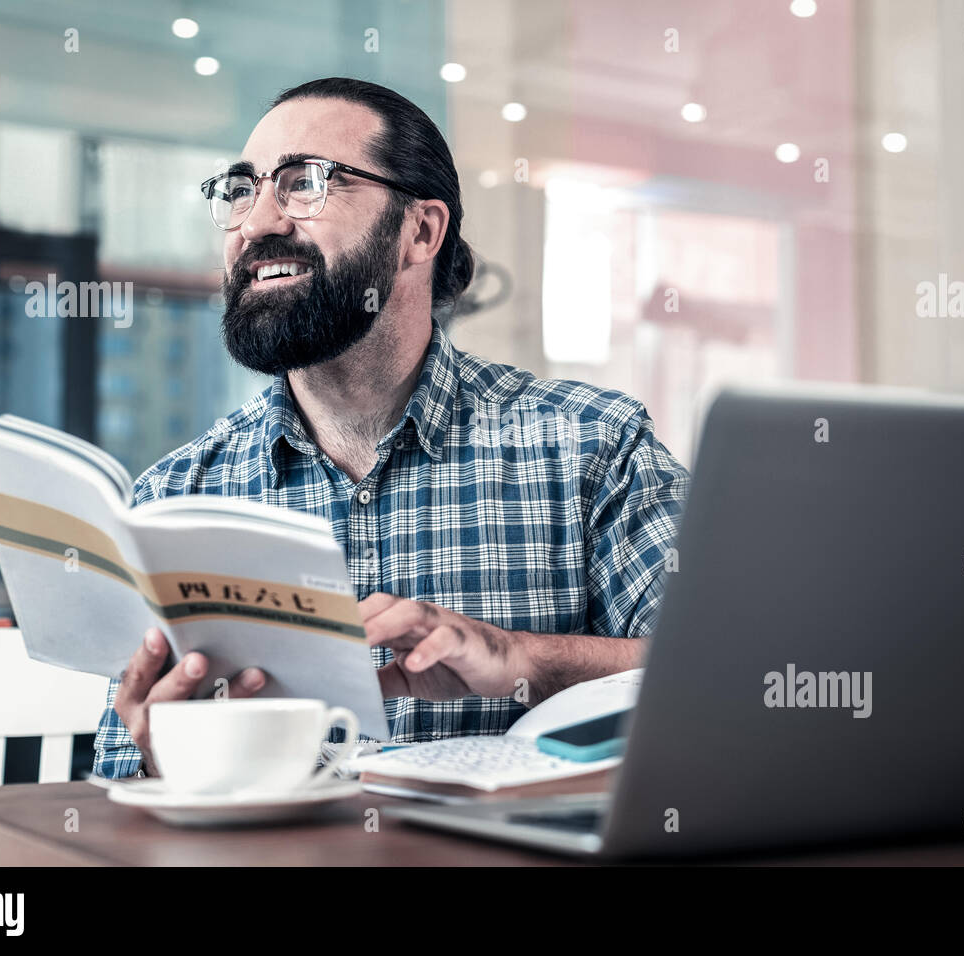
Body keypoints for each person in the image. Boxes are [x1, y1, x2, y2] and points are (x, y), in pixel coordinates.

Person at [93, 77, 690, 778]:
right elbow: (120, 778)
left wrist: (523, 660)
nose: (256, 222)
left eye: (304, 182)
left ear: (421, 231)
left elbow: (735, 674)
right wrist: (163, 756)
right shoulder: (173, 498)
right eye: (242, 190)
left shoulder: (594, 445)